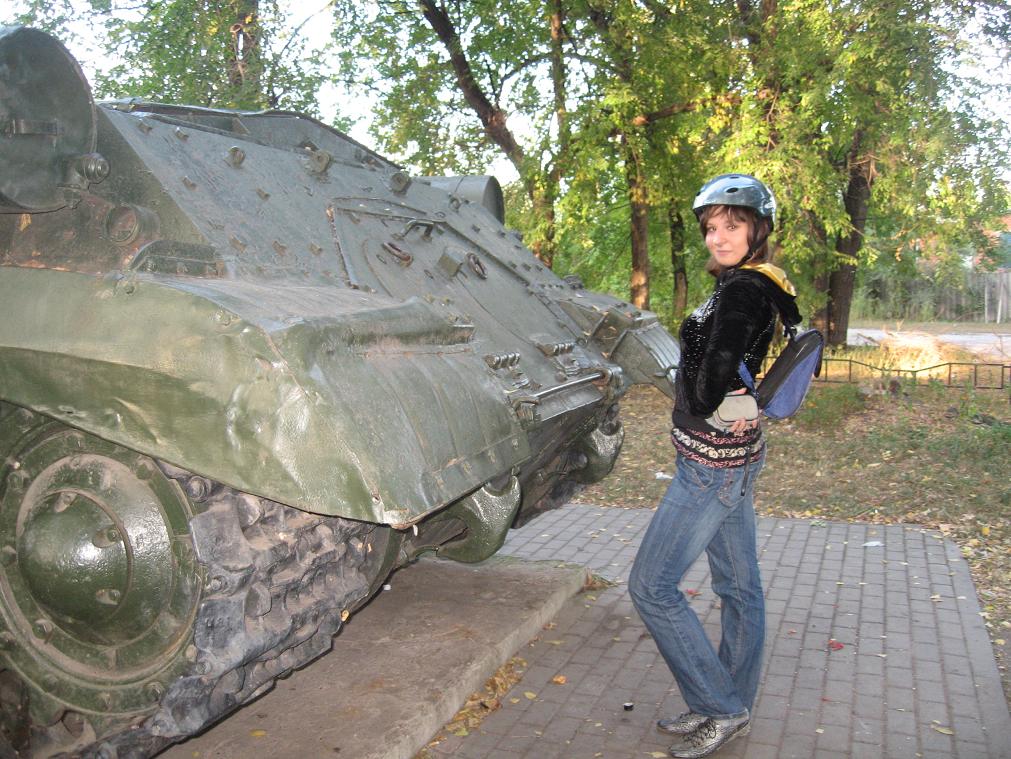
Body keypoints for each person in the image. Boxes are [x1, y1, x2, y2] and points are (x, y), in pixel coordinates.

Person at [629, 174, 801, 758]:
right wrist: (740, 400)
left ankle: (720, 706)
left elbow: (715, 373)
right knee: (738, 586)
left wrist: (703, 395)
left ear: (758, 229)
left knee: (651, 586)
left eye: (733, 226)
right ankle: (729, 704)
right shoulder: (761, 282)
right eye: (711, 228)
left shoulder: (742, 290)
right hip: (736, 458)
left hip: (711, 465)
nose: (718, 237)